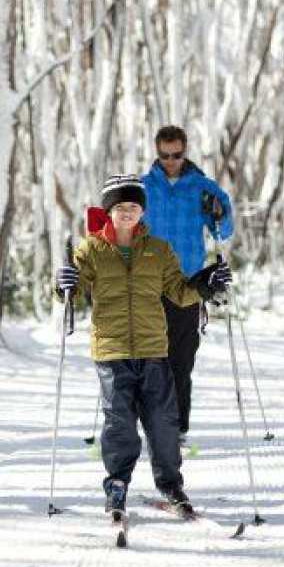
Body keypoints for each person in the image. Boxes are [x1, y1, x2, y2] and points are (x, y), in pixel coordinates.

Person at [55, 174, 232, 516]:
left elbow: (180, 292)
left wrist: (207, 283)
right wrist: (64, 284)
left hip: (153, 347)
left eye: (134, 206)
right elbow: (72, 289)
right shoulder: (91, 249)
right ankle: (117, 484)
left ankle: (171, 485)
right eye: (120, 207)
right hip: (112, 349)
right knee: (119, 421)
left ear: (142, 210)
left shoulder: (158, 250)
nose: (127, 212)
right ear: (108, 211)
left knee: (163, 421)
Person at [141, 125, 235, 443]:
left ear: (185, 151)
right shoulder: (143, 188)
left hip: (188, 282)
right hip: (148, 282)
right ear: (157, 152)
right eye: (165, 156)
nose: (170, 161)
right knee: (150, 357)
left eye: (177, 155)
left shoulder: (202, 188)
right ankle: (152, 423)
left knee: (181, 358)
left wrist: (220, 213)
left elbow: (223, 232)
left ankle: (178, 427)